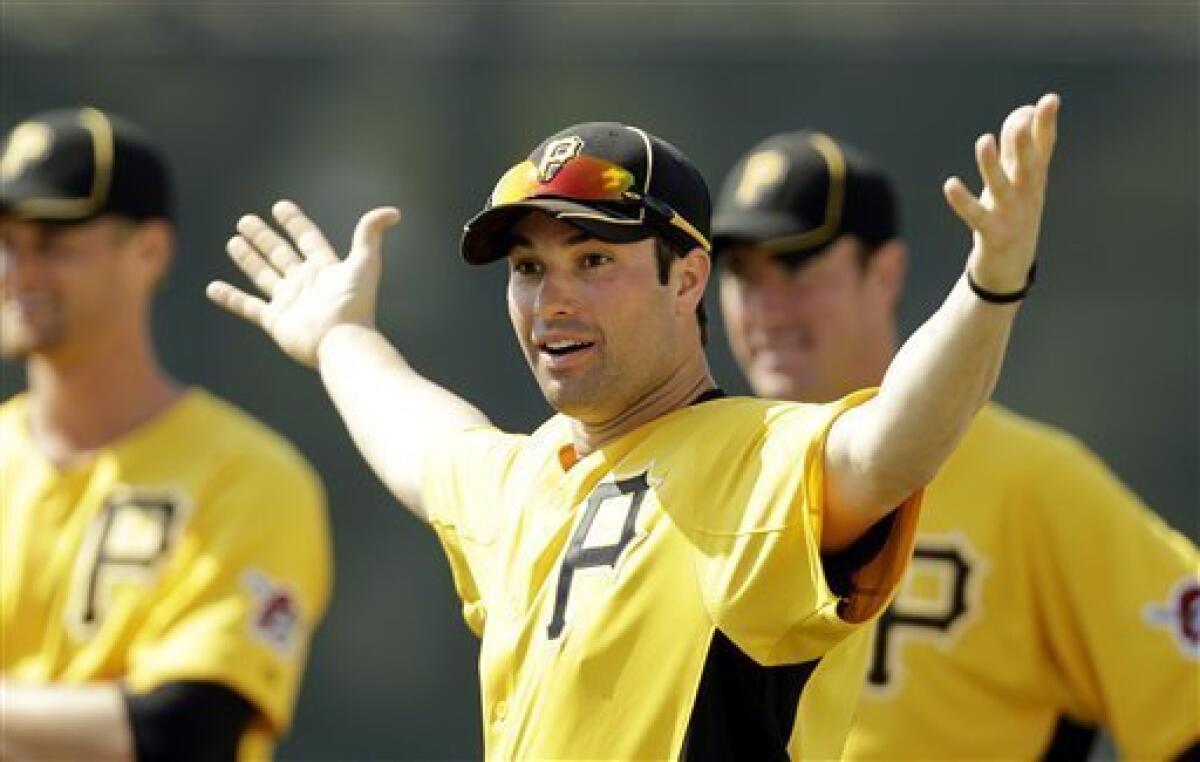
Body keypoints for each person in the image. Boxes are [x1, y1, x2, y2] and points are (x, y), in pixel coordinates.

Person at [208, 95, 1059, 759]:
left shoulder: (754, 455)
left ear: (688, 279)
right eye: (529, 268)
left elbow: (892, 446)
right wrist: (340, 338)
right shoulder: (532, 478)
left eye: (595, 261)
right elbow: (424, 441)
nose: (553, 299)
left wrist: (989, 288)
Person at [711, 128, 1199, 759]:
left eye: (798, 266)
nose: (767, 307)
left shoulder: (1031, 482)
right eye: (743, 273)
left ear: (883, 273)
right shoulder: (708, 479)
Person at [0, 107, 332, 761]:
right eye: (6, 241)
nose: (19, 269)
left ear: (149, 250)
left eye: (53, 242)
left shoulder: (247, 476)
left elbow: (183, 733)